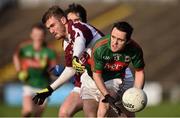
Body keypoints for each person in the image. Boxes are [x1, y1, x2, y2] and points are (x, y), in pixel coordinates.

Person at [32, 5, 104, 117]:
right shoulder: (65, 42)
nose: (51, 31)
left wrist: (75, 57)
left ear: (63, 20)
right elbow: (71, 68)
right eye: (48, 28)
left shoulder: (78, 28)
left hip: (108, 76)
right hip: (88, 81)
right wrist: (49, 89)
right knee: (64, 113)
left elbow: (80, 40)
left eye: (52, 26)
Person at [80, 21, 145, 117]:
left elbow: (139, 72)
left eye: (120, 40)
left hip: (113, 78)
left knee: (105, 107)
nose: (114, 42)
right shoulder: (100, 47)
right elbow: (97, 75)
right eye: (113, 37)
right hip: (92, 79)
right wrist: (107, 95)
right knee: (90, 114)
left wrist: (136, 93)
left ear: (127, 41)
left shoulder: (135, 50)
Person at [13, 23, 56, 117]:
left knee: (37, 114)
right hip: (29, 85)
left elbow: (53, 70)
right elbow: (15, 56)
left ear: (44, 36)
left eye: (40, 35)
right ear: (31, 35)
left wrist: (47, 69)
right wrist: (19, 70)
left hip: (43, 87)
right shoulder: (24, 47)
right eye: (36, 35)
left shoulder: (49, 50)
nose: (38, 37)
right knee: (27, 111)